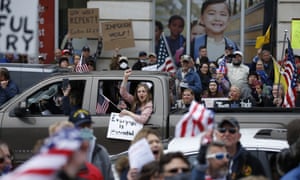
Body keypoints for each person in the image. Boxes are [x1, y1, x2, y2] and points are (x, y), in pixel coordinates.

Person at [69, 109, 114, 180]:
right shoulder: (65, 154)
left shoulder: (100, 152)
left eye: (88, 126)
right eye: (82, 127)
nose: (86, 130)